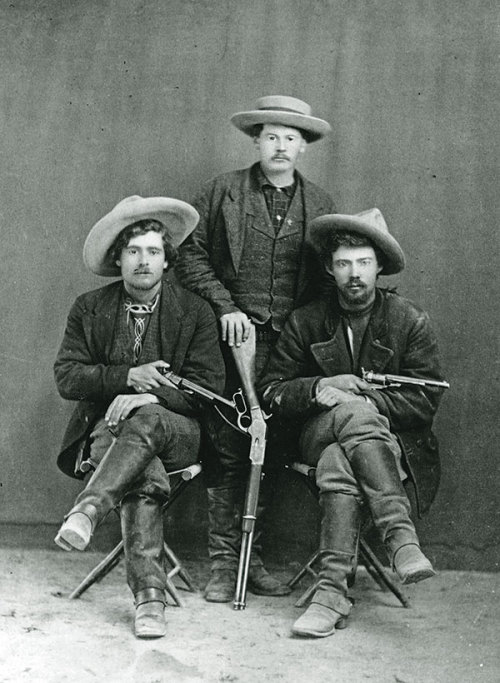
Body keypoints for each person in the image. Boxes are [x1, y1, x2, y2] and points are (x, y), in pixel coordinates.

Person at [176, 95, 335, 602]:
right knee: (228, 448)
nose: (280, 146)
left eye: (291, 138)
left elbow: (327, 281)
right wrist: (225, 306)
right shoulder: (222, 192)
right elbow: (188, 254)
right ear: (256, 141)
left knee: (274, 448)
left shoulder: (323, 206)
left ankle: (255, 560)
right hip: (229, 342)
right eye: (271, 136)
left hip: (290, 349)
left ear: (304, 147)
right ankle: (226, 567)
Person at [258, 208, 446, 638]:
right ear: (330, 268)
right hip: (315, 431)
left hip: (389, 444)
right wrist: (319, 386)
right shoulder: (306, 320)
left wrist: (362, 396)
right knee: (350, 416)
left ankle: (330, 594)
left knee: (338, 464)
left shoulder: (408, 320)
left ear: (379, 266)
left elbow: (423, 401)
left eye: (363, 262)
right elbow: (271, 389)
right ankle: (400, 537)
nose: (354, 273)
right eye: (344, 263)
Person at [53, 195, 224, 639]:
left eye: (153, 251)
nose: (143, 261)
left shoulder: (196, 311)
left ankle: (88, 510)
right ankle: (149, 598)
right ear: (118, 259)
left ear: (168, 260)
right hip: (109, 435)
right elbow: (68, 378)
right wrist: (127, 375)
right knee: (141, 469)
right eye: (133, 252)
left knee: (145, 423)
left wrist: (149, 398)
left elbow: (210, 391)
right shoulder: (89, 307)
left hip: (179, 433)